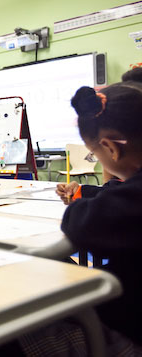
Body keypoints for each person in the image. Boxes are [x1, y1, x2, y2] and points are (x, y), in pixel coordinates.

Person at [55, 82, 142, 346]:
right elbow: (122, 194)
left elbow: (81, 223)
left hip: (126, 333)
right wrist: (85, 192)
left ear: (111, 148)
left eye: (94, 153)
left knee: (17, 326)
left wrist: (80, 204)